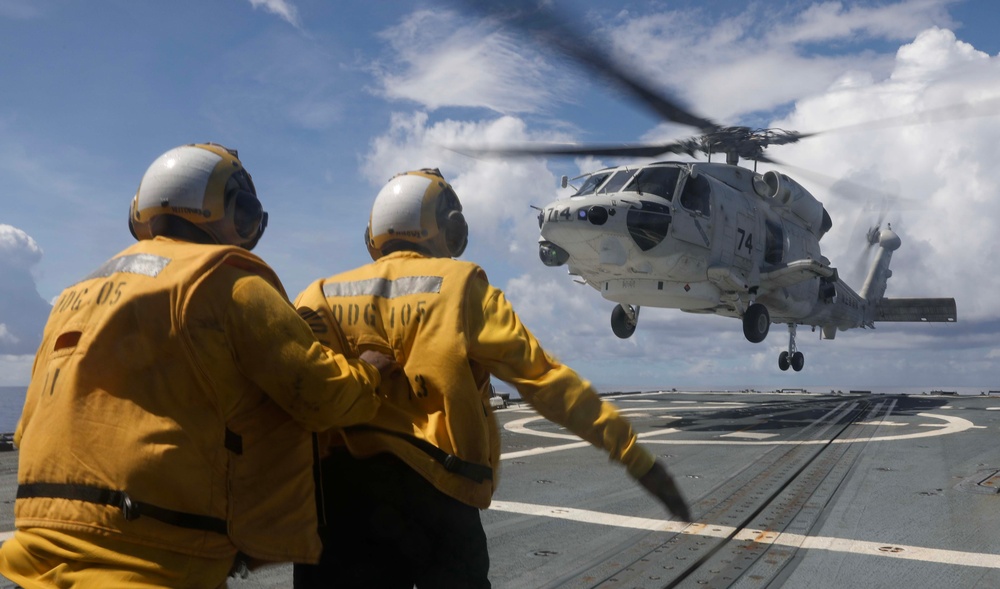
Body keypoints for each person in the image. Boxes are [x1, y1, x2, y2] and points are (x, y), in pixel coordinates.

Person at [0, 143, 395, 588]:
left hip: (36, 555)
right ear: (229, 211)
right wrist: (370, 372)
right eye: (245, 217)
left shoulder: (72, 298)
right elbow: (322, 398)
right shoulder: (227, 281)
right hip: (153, 561)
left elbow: (27, 426)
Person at [292, 168, 691, 589]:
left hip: (335, 503)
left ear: (372, 236)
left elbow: (292, 393)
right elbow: (546, 380)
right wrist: (631, 452)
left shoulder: (319, 296)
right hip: (438, 494)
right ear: (450, 229)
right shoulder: (462, 287)